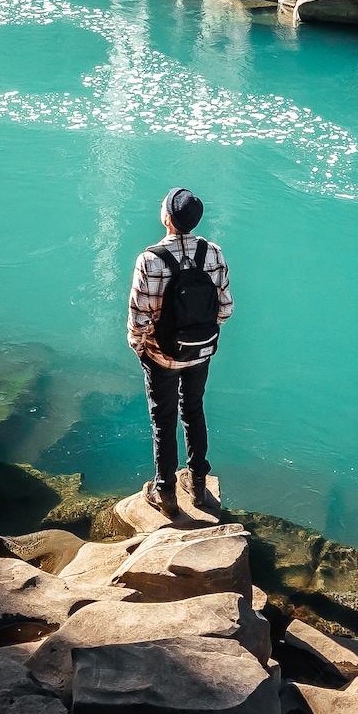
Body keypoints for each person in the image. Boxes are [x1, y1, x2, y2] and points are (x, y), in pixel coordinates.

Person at [128, 187, 232, 517]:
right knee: (194, 410)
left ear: (168, 219)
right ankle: (198, 485)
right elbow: (225, 309)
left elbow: (138, 318)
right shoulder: (213, 253)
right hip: (200, 352)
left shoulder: (150, 259)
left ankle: (165, 492)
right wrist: (198, 336)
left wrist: (141, 348)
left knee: (163, 419)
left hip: (161, 355)